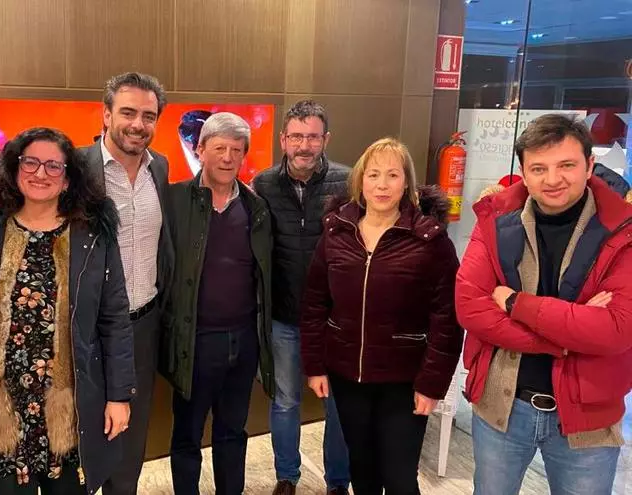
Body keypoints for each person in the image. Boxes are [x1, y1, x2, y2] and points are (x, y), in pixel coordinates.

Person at [0, 127, 136, 495]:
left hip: (68, 404)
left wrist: (119, 396)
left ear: (67, 179)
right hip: (3, 404)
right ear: (15, 169)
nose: (40, 173)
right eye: (30, 162)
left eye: (54, 166)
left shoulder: (92, 235)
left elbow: (115, 318)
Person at [456, 114, 632, 494]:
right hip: (502, 406)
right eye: (539, 168)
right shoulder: (495, 219)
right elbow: (470, 307)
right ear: (523, 172)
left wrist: (514, 302)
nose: (552, 179)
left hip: (587, 417)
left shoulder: (623, 231)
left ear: (589, 166)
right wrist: (566, 337)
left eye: (566, 165)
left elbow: (616, 329)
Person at [300, 137, 462, 495]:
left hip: (404, 380)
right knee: (363, 471)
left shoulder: (430, 241)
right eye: (373, 175)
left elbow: (447, 320)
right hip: (347, 375)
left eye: (392, 175)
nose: (382, 185)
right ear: (360, 181)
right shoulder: (336, 232)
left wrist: (432, 385)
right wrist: (314, 365)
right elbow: (314, 303)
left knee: (400, 478)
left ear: (406, 183)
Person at [161, 112, 275, 495]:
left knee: (232, 431)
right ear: (200, 149)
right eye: (219, 148)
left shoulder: (256, 208)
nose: (228, 158)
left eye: (236, 150)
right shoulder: (174, 200)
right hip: (194, 341)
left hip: (243, 341)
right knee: (187, 434)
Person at [80, 72, 174, 495]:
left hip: (143, 327)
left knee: (130, 440)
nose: (138, 124)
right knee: (81, 437)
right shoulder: (76, 168)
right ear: (106, 114)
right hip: (87, 331)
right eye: (128, 112)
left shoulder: (161, 168)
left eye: (148, 116)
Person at [252, 99, 351, 495]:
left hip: (335, 320)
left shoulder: (348, 182)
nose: (304, 146)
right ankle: (286, 477)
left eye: (312, 137)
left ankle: (338, 482)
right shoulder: (263, 184)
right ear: (283, 140)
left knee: (338, 407)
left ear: (326, 139)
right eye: (296, 137)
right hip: (283, 317)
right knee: (285, 402)